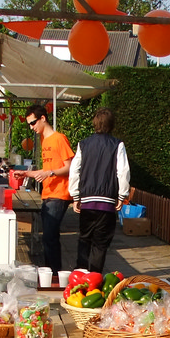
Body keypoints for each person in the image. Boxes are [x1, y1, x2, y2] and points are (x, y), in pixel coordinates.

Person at [69, 108, 130, 273]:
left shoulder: (83, 144)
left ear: (94, 124)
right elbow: (123, 171)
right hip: (107, 203)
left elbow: (74, 171)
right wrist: (122, 195)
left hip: (87, 201)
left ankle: (80, 277)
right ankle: (94, 279)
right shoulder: (117, 145)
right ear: (112, 125)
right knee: (100, 244)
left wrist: (75, 196)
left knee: (84, 239)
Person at [23, 103, 75, 271]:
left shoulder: (59, 138)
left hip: (59, 194)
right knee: (48, 237)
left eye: (33, 123)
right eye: (29, 124)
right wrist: (26, 174)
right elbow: (46, 171)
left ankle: (54, 275)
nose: (31, 127)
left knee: (50, 237)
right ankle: (51, 273)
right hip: (48, 193)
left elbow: (70, 167)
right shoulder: (43, 139)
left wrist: (50, 173)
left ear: (43, 118)